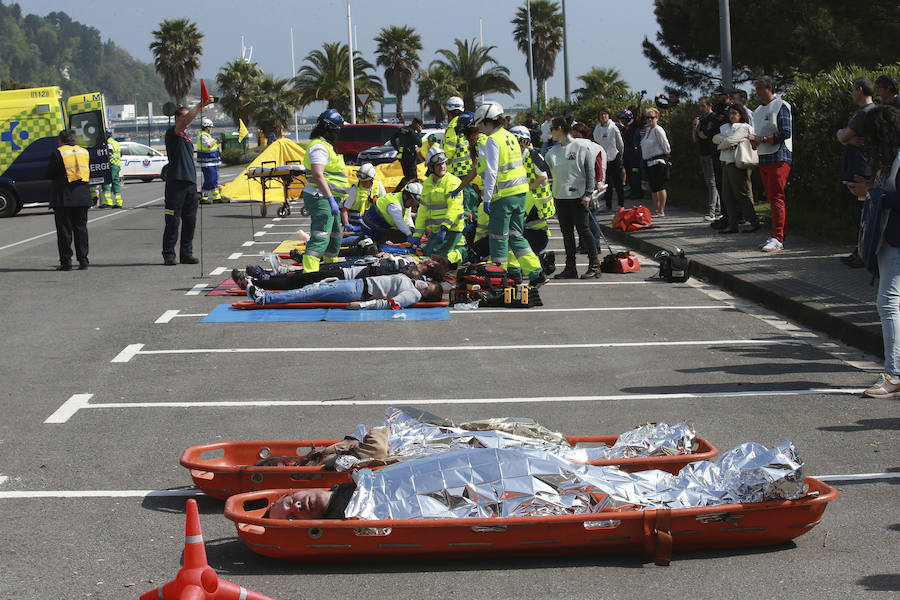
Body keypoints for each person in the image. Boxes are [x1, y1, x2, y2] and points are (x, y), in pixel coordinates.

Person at [846, 106, 900, 397]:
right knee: (891, 303)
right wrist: (869, 188)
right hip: (889, 238)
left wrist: (872, 193)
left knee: (888, 303)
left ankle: (894, 374)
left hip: (895, 239)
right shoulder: (890, 160)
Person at [472, 101, 547, 287]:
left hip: (503, 196)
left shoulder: (493, 140)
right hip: (520, 194)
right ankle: (536, 273)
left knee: (498, 238)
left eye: (481, 124)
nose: (481, 129)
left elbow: (491, 171)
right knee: (516, 236)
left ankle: (500, 279)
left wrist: (487, 198)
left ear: (487, 121)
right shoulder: (510, 136)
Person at [545, 117, 599, 279]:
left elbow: (590, 172)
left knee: (584, 230)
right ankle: (570, 268)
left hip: (579, 196)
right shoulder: (552, 152)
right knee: (567, 233)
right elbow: (544, 169)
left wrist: (588, 194)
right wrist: (532, 152)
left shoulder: (581, 146)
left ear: (560, 128)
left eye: (552, 129)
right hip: (561, 196)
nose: (550, 133)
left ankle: (595, 265)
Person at [162, 97, 214, 265]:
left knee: (190, 221)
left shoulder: (186, 138)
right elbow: (184, 122)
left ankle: (186, 253)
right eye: (184, 117)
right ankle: (169, 254)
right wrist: (200, 105)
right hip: (176, 183)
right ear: (177, 118)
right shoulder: (173, 132)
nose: (188, 120)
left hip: (190, 183)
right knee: (173, 221)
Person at [302, 109, 351, 272]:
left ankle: (330, 268)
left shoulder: (326, 146)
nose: (338, 134)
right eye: (337, 130)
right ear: (330, 129)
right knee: (320, 237)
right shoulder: (319, 147)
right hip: (321, 197)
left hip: (331, 199)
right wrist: (330, 198)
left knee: (335, 237)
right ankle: (309, 273)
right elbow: (317, 174)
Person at [236, 255, 449, 291]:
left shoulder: (413, 275)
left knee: (300, 282)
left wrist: (386, 262)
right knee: (304, 276)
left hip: (349, 279)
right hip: (351, 271)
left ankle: (259, 283)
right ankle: (265, 278)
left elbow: (387, 276)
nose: (427, 259)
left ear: (432, 266)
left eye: (431, 261)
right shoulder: (411, 265)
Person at [749, 76, 793, 253]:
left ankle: (778, 238)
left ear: (770, 88)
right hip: (764, 156)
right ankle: (775, 234)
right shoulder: (758, 110)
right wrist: (755, 142)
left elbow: (786, 132)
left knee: (776, 197)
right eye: (756, 89)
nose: (757, 92)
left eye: (760, 88)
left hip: (779, 155)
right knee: (771, 198)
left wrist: (763, 139)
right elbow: (757, 134)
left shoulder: (781, 105)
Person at [838, 77, 876, 268]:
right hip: (865, 167)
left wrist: (844, 136)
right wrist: (844, 136)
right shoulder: (873, 111)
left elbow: (843, 136)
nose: (852, 94)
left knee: (860, 212)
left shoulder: (863, 113)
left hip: (859, 169)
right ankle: (859, 250)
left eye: (853, 90)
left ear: (860, 90)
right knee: (861, 211)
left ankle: (863, 252)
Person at [246, 272, 444, 308]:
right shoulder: (412, 282)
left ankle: (266, 298)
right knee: (313, 288)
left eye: (427, 288)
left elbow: (392, 303)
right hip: (358, 284)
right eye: (428, 283)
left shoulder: (413, 294)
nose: (424, 285)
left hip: (358, 292)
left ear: (425, 294)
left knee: (310, 293)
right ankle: (266, 295)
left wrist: (364, 305)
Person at [510, 125, 555, 272]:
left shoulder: (532, 155)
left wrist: (526, 188)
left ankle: (540, 261)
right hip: (522, 200)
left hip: (534, 202)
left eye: (519, 141)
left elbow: (542, 176)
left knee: (523, 235)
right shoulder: (513, 155)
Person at [45, 129, 91, 270]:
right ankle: (83, 260)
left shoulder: (58, 153)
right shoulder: (84, 152)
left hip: (64, 197)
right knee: (81, 229)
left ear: (61, 140)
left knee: (64, 231)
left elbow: (49, 173)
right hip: (82, 196)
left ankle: (66, 262)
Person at [412, 146, 465, 259]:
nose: (443, 167)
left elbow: (454, 207)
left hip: (451, 230)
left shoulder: (453, 182)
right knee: (426, 255)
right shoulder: (427, 185)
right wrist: (417, 235)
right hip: (436, 232)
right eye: (438, 165)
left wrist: (444, 228)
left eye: (444, 163)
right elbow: (422, 212)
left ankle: (462, 253)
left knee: (439, 259)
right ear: (431, 167)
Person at [713, 104, 759, 234]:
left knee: (741, 193)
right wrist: (726, 142)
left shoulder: (744, 127)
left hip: (737, 163)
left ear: (740, 114)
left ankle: (753, 222)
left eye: (735, 113)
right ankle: (732, 224)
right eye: (731, 113)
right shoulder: (726, 127)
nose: (732, 116)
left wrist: (722, 145)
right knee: (727, 195)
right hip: (726, 162)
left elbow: (731, 141)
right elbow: (715, 138)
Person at [256, 427, 390, 469]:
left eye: (285, 460)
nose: (291, 462)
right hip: (383, 445)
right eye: (287, 467)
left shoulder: (313, 459)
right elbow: (377, 450)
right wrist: (379, 430)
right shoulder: (319, 467)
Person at [692, 97, 722, 222]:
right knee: (709, 183)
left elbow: (704, 135)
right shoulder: (702, 120)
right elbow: (696, 138)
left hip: (711, 154)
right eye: (700, 106)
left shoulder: (713, 118)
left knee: (712, 182)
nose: (701, 108)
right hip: (702, 153)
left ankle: (712, 211)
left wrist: (699, 131)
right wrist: (695, 127)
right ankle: (719, 209)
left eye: (703, 106)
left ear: (710, 105)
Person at [640, 107, 671, 217]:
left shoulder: (658, 130)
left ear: (656, 118)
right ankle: (656, 209)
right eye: (647, 118)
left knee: (660, 186)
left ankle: (661, 210)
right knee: (653, 187)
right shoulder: (648, 130)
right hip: (649, 162)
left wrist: (667, 157)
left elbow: (666, 146)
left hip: (658, 161)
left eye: (652, 117)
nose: (649, 120)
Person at [592, 107, 625, 212]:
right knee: (607, 183)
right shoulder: (597, 128)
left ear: (609, 116)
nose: (603, 116)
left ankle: (621, 204)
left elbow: (620, 144)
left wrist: (620, 156)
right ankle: (608, 205)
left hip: (614, 156)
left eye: (605, 114)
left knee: (618, 182)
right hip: (602, 159)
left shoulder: (613, 127)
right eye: (601, 114)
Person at [342, 163, 384, 231]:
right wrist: (347, 225)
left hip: (372, 225)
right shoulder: (355, 189)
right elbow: (344, 210)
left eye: (365, 181)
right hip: (355, 225)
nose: (362, 182)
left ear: (371, 179)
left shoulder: (379, 186)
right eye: (361, 180)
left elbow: (384, 206)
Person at [197, 117, 228, 204]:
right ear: (207, 127)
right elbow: (209, 145)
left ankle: (216, 198)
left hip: (212, 162)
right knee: (209, 180)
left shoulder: (207, 136)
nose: (211, 129)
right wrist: (215, 141)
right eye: (210, 127)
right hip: (207, 163)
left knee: (214, 179)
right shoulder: (203, 136)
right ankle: (204, 198)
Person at [389, 117, 424, 191]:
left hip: (402, 155)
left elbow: (392, 139)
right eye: (419, 125)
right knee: (412, 177)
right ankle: (399, 191)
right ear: (416, 124)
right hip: (410, 156)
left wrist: (397, 148)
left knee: (407, 176)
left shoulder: (403, 129)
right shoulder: (411, 131)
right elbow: (420, 143)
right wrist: (419, 132)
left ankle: (406, 191)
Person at [97, 129, 123, 209]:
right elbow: (120, 154)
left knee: (106, 182)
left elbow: (110, 154)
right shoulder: (116, 143)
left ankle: (108, 202)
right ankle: (119, 202)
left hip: (111, 165)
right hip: (117, 165)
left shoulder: (108, 143)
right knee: (116, 183)